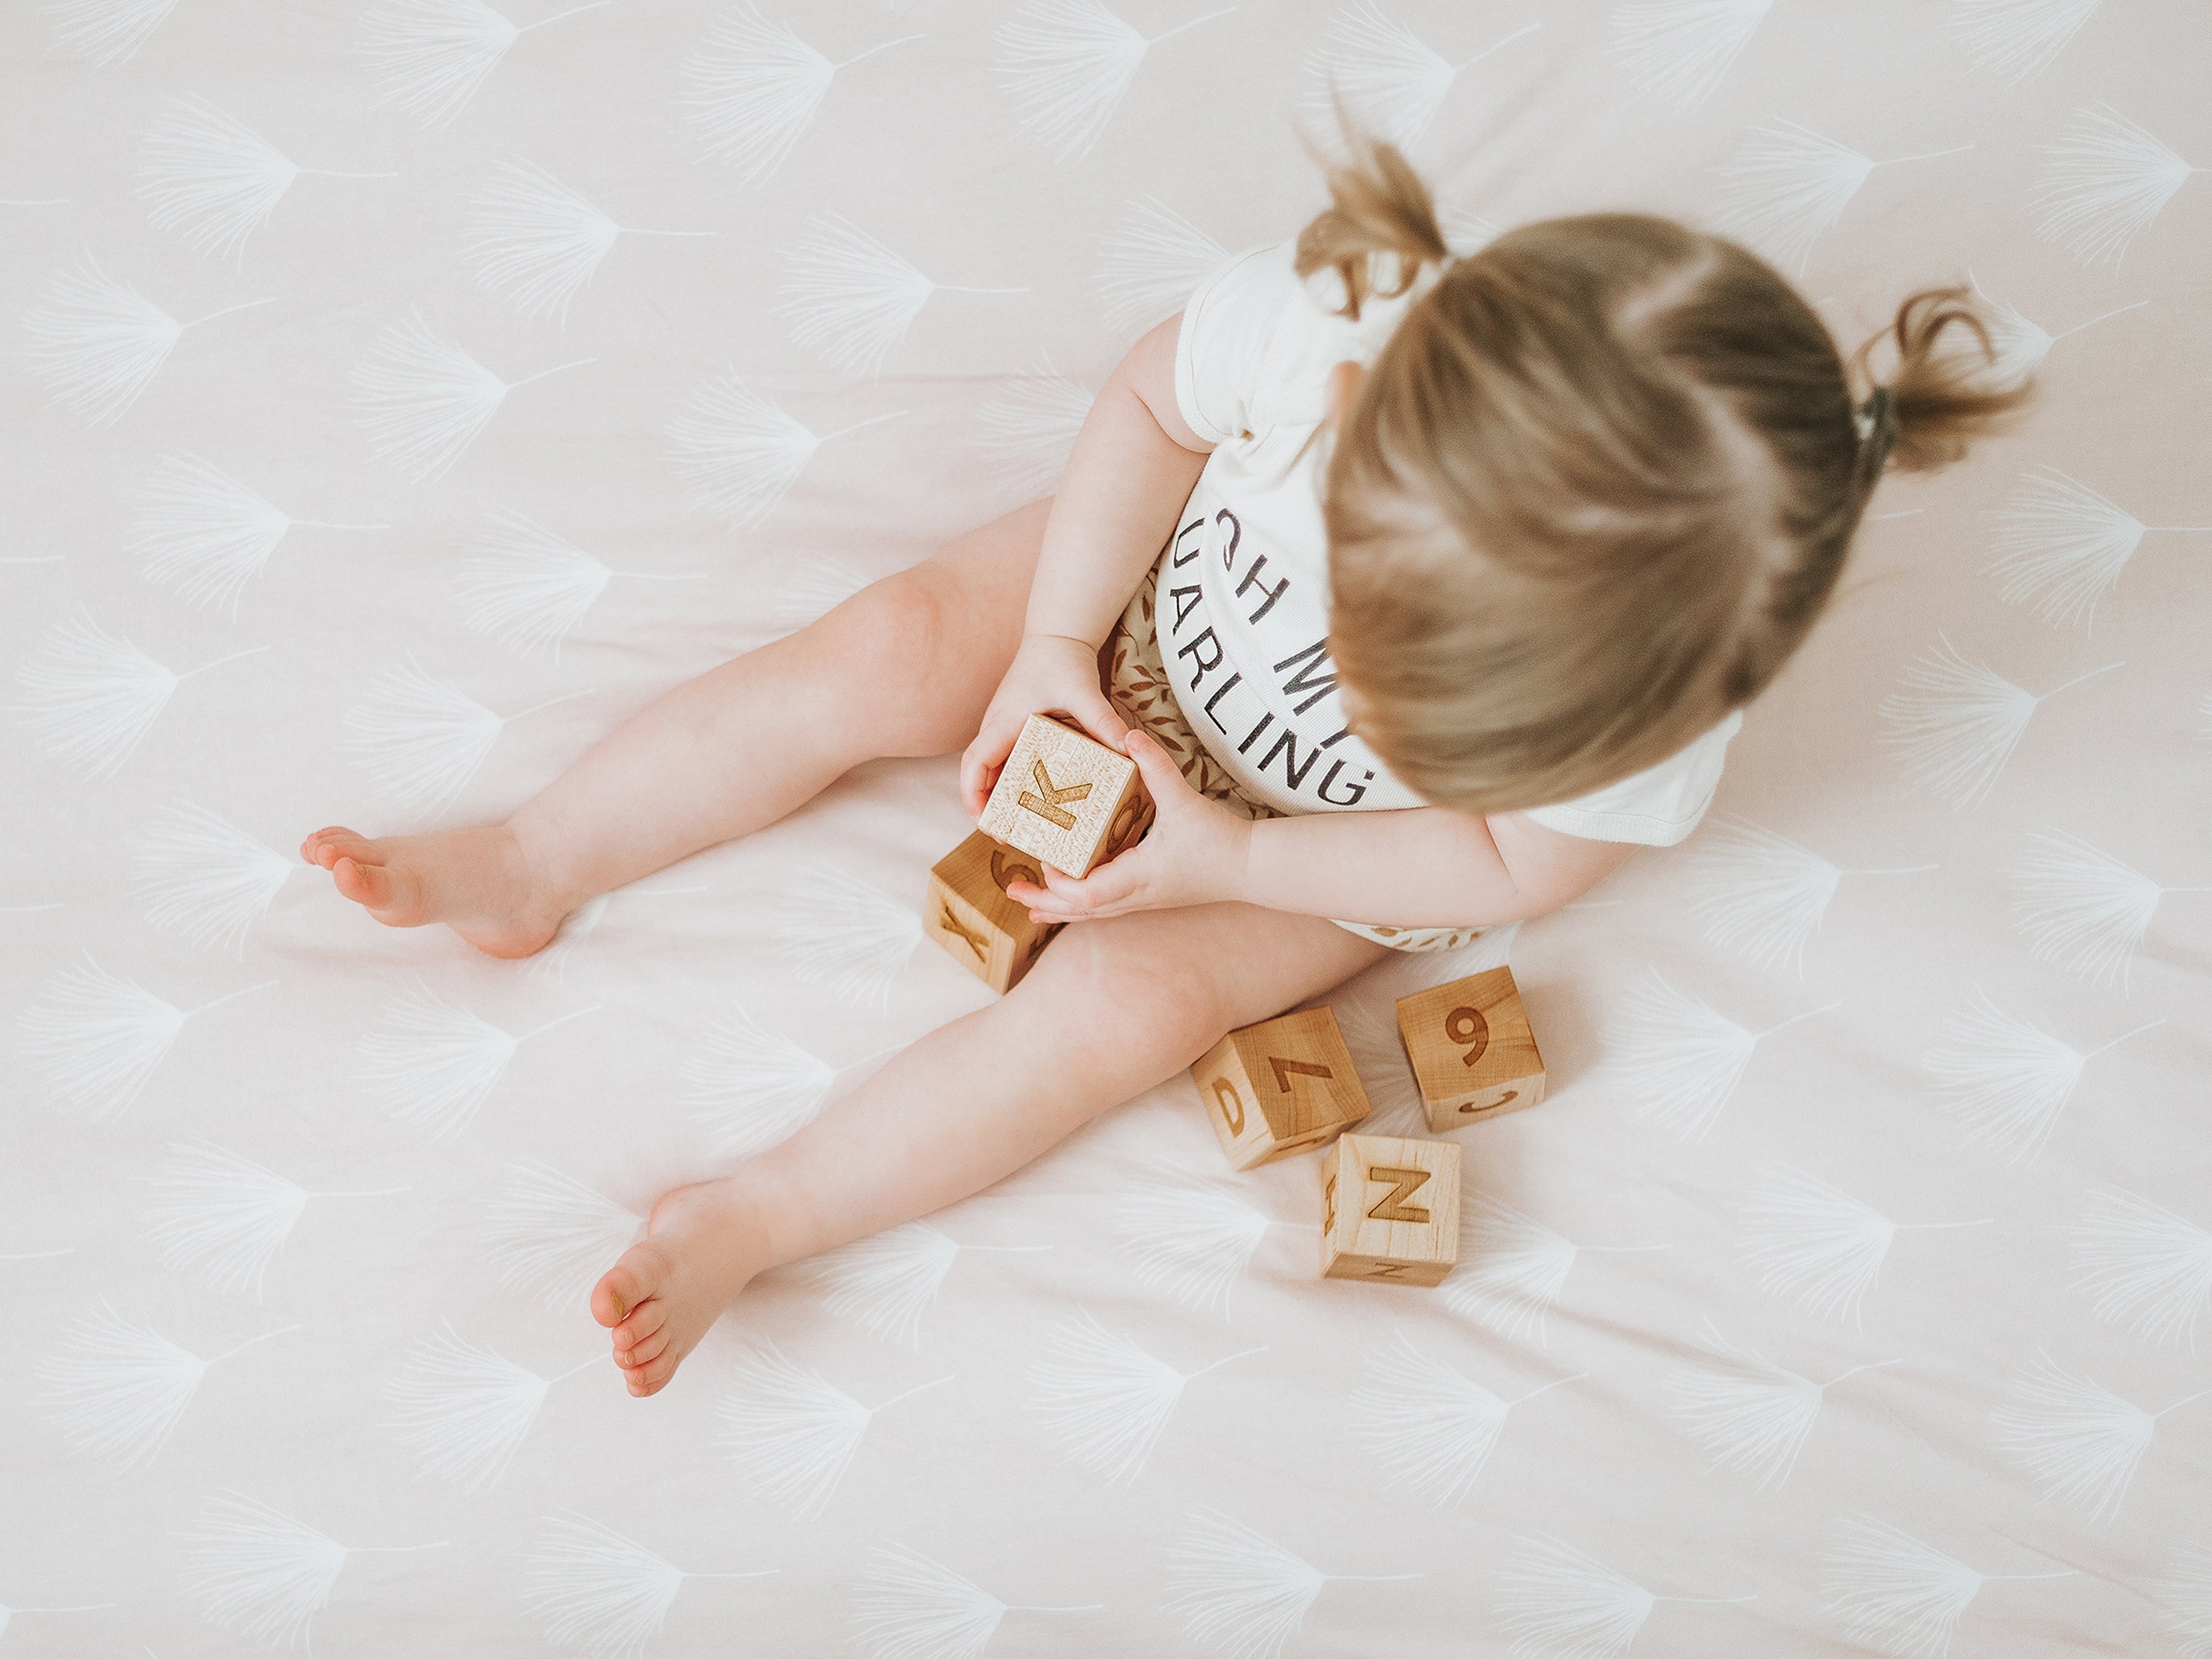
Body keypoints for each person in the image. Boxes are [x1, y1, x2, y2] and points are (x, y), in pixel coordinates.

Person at [300, 127, 2030, 1396]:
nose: (1346, 661)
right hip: (1133, 604)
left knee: (1123, 1015)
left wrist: (1241, 865)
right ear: (1372, 388)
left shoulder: (1664, 717)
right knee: (896, 646)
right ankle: (537, 858)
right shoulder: (1322, 320)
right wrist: (1056, 648)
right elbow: (1146, 413)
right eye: (1355, 590)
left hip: (1317, 850)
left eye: (1421, 693)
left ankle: (758, 1214)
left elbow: (1505, 867)